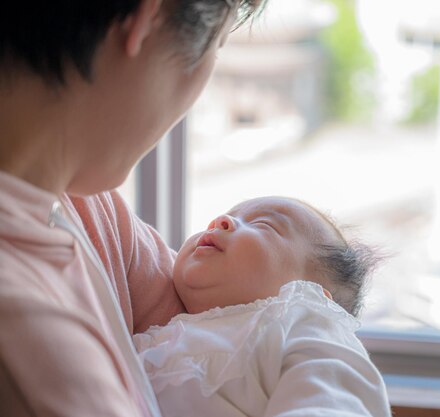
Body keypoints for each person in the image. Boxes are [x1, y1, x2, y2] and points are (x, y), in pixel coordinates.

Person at [0, 1, 264, 416]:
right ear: (149, 18)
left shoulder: (86, 206)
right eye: (219, 43)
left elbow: (212, 322)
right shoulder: (35, 355)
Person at [133, 196, 391, 417]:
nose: (220, 220)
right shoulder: (158, 333)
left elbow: (333, 402)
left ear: (314, 296)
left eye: (263, 225)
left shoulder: (302, 322)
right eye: (227, 216)